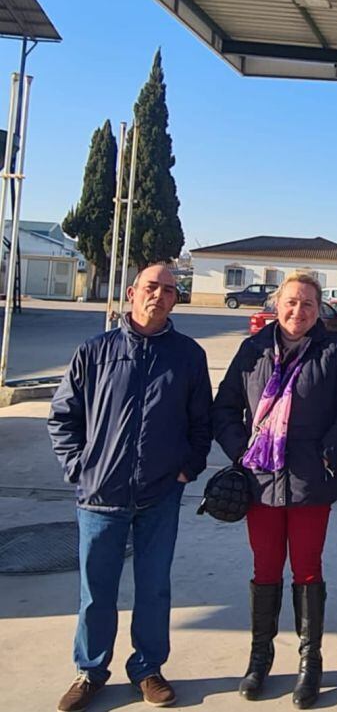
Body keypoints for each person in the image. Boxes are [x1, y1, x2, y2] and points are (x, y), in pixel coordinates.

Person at [48, 264, 213, 712]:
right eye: (150, 288)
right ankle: (90, 670)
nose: (157, 296)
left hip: (160, 495)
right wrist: (80, 469)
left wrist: (188, 468)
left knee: (154, 586)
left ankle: (148, 668)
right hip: (100, 497)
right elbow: (63, 417)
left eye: (168, 290)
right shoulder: (95, 351)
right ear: (131, 292)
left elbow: (203, 424)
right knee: (96, 590)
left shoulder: (188, 356)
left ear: (177, 299)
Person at [212, 271, 337, 708]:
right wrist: (239, 449)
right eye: (291, 302)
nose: (298, 311)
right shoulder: (253, 350)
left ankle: (309, 662)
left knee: (306, 569)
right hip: (258, 483)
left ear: (318, 311)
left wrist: (329, 450)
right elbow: (224, 408)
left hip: (309, 483)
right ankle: (259, 659)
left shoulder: (335, 354)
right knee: (265, 570)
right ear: (276, 305)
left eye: (307, 304)